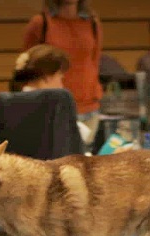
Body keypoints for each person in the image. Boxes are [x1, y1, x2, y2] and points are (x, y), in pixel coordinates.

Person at [23, 0, 103, 149]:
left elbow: (95, 61)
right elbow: (28, 68)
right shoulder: (41, 23)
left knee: (86, 161)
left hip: (89, 107)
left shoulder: (92, 23)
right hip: (54, 108)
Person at [9, 43, 91, 144]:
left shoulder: (4, 103)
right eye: (61, 78)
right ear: (47, 78)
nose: (62, 85)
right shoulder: (55, 106)